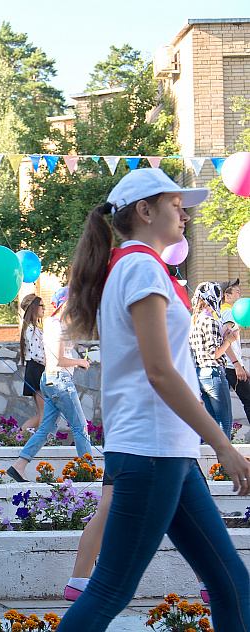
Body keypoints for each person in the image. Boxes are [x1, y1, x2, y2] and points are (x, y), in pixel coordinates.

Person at [54, 168, 250, 631]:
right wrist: (222, 445)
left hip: (166, 454)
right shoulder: (140, 267)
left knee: (231, 586)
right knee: (109, 592)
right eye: (175, 204)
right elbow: (160, 372)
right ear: (144, 211)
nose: (184, 213)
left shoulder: (133, 265)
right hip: (154, 451)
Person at [6, 287, 93, 482]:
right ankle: (88, 471)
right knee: (80, 426)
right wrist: (80, 362)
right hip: (60, 380)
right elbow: (60, 360)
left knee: (46, 428)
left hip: (49, 379)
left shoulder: (51, 324)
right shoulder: (59, 326)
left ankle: (18, 465)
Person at [190, 281, 237, 441]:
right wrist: (229, 340)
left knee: (210, 423)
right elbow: (214, 353)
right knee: (225, 422)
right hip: (214, 373)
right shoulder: (210, 321)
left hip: (200, 373)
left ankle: (211, 462)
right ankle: (224, 464)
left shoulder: (195, 321)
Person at [220, 279, 250, 427]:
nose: (241, 296)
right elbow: (226, 339)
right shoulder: (229, 313)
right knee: (249, 400)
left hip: (231, 365)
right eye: (237, 292)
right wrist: (238, 365)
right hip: (231, 366)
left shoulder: (223, 312)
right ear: (227, 295)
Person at [18, 294, 46, 431]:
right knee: (44, 412)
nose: (44, 309)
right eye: (41, 306)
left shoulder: (36, 327)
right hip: (37, 369)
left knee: (45, 411)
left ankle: (19, 435)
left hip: (37, 368)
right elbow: (37, 354)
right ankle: (44, 442)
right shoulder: (31, 328)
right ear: (33, 307)